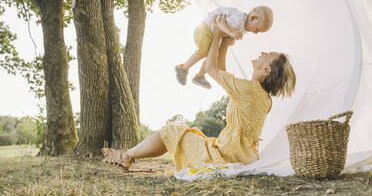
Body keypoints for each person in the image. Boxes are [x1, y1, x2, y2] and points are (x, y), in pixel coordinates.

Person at [102, 16, 295, 172]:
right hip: (242, 156)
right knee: (183, 133)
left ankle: (125, 156)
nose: (263, 52)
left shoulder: (249, 89)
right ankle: (127, 155)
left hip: (224, 156)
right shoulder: (262, 97)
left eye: (268, 55)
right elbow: (222, 72)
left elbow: (212, 69)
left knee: (172, 130)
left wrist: (218, 36)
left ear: (267, 70)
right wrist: (225, 46)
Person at [175, 6, 273, 89]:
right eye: (257, 29)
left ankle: (200, 76)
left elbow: (225, 32)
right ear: (253, 18)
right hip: (205, 30)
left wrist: (230, 37)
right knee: (204, 52)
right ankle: (183, 68)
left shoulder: (243, 27)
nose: (256, 32)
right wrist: (231, 32)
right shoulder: (239, 20)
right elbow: (220, 24)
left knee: (213, 56)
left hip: (211, 33)